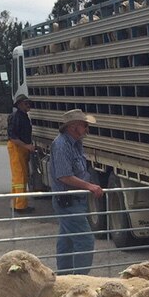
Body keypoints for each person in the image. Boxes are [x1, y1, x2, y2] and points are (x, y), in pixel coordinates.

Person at [48, 108, 105, 272]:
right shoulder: (61, 145)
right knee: (85, 241)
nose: (86, 129)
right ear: (73, 127)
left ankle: (65, 278)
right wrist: (90, 186)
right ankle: (80, 280)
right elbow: (64, 176)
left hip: (74, 200)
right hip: (68, 201)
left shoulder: (75, 143)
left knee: (67, 241)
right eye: (84, 125)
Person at [6, 94, 35, 213]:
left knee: (19, 176)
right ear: (20, 104)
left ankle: (16, 203)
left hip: (21, 148)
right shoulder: (16, 117)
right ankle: (21, 206)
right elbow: (12, 137)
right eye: (26, 103)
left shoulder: (24, 116)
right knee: (20, 177)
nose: (28, 105)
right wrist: (26, 146)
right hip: (16, 148)